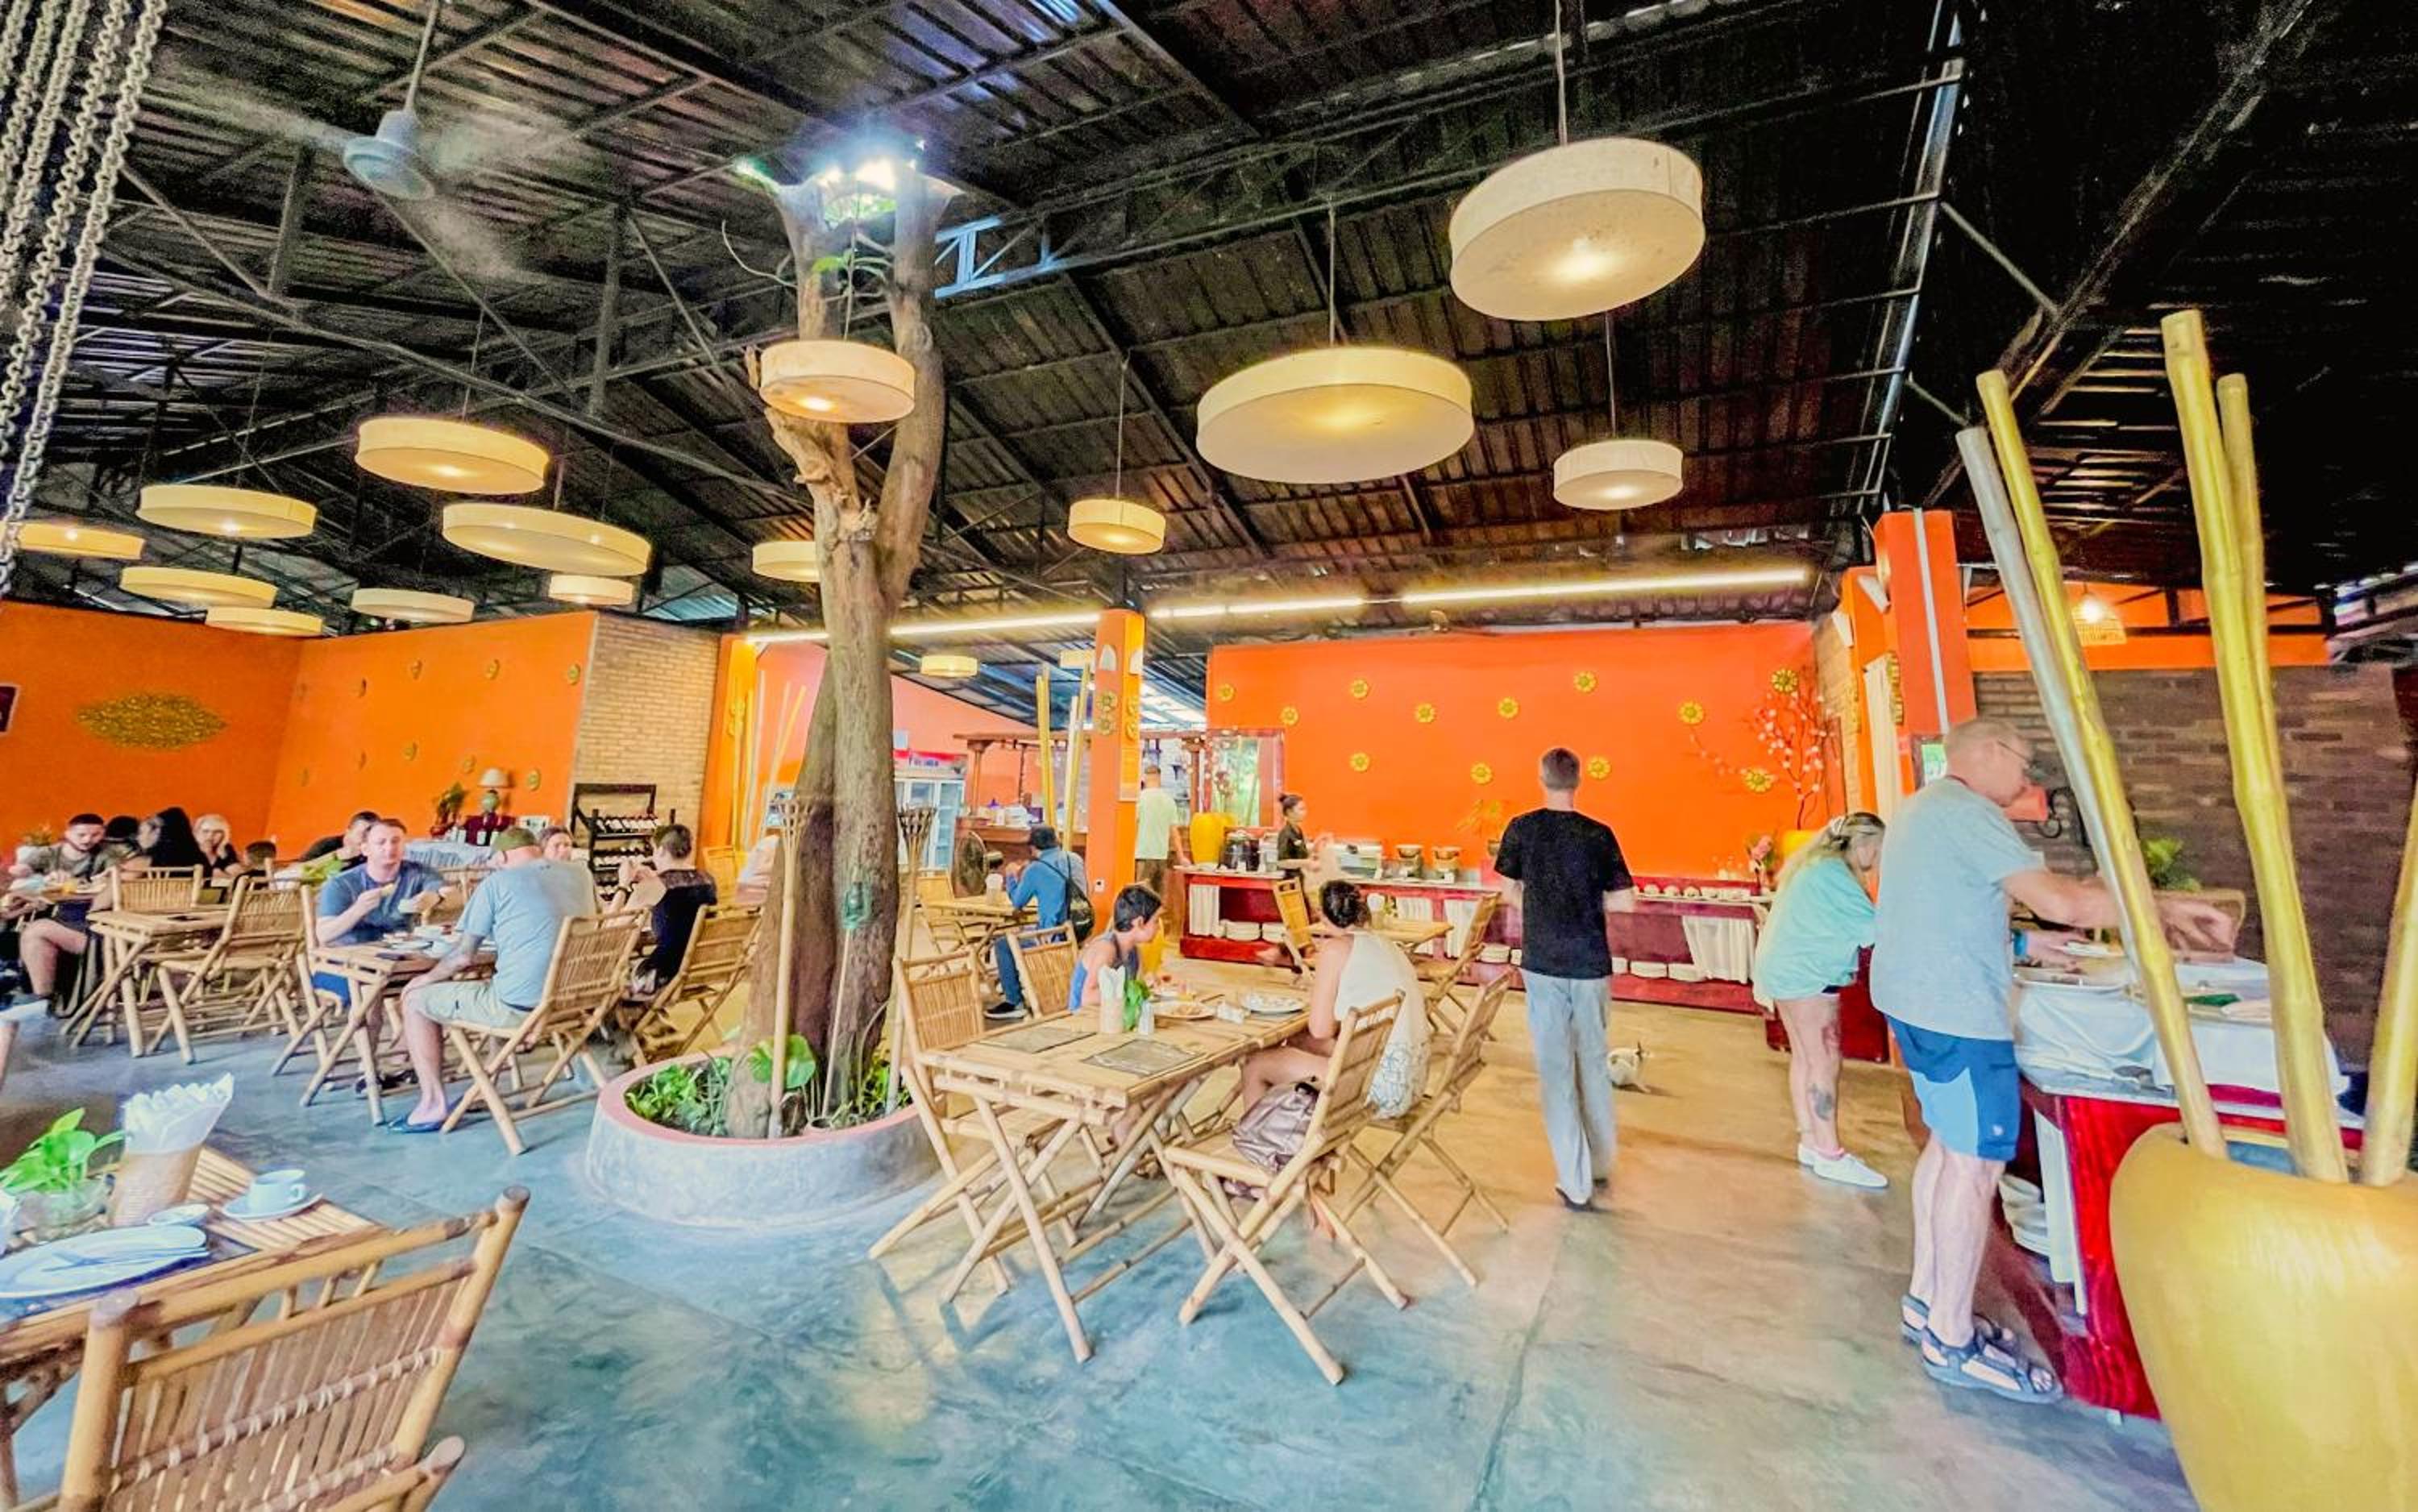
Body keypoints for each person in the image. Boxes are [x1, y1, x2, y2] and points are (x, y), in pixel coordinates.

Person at [1874, 718, 2233, 1405]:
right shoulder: (1969, 812)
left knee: (1949, 1150)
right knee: (1974, 1166)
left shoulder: (1922, 810)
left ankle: (1926, 1300)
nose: (2026, 779)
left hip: (1916, 1001)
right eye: (2023, 761)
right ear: (1987, 752)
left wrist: (2019, 947)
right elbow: (2062, 902)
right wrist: (2164, 906)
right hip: (1956, 1012)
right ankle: (1950, 1336)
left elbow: (1938, 911)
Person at [1493, 746, 1635, 1211]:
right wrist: (1587, 905)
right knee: (1592, 1062)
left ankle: (1575, 1180)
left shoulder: (1522, 829)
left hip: (1543, 962)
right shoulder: (1599, 834)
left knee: (1556, 1070)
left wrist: (1540, 908)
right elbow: (1626, 901)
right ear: (1578, 780)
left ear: (1541, 778)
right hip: (1591, 962)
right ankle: (1600, 1163)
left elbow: (1508, 893)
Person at [392, 826, 596, 1132]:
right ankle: (488, 1086)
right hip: (577, 1002)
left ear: (500, 858)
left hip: (522, 1009)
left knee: (415, 999)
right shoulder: (581, 874)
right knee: (499, 984)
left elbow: (463, 957)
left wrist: (425, 978)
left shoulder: (496, 883)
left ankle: (432, 1105)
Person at [1752, 812, 1889, 1190]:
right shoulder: (1834, 875)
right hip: (1808, 975)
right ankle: (1830, 1153)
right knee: (1824, 1059)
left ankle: (1812, 1142)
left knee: (1805, 1057)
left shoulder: (1814, 866)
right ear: (1864, 844)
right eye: (1880, 849)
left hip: (1785, 971)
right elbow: (1876, 930)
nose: (1879, 859)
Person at [1237, 879, 1431, 1118]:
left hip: (1378, 1088)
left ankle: (1258, 1137)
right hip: (1410, 1079)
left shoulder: (1336, 948)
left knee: (1256, 1064)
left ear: (1322, 914)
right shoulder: (1388, 944)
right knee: (1298, 1040)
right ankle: (1290, 1124)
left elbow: (1321, 1030)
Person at [614, 823, 717, 995]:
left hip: (662, 976)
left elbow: (614, 928)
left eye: (654, 850)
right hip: (699, 969)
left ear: (661, 850)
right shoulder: (708, 879)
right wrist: (653, 876)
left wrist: (623, 884)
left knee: (614, 973)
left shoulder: (654, 886)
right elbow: (682, 890)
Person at [994, 825, 1086, 1015]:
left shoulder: (1035, 869)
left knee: (1003, 944)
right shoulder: (1075, 859)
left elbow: (1017, 902)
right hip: (1080, 931)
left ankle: (1014, 1002)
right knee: (1026, 930)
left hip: (1052, 937)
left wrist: (1011, 876)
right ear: (1056, 841)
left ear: (1033, 847)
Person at [9, 813, 128, 882]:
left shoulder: (107, 853)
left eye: (95, 835)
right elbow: (19, 870)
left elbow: (116, 873)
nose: (87, 840)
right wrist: (26, 872)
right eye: (81, 835)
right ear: (68, 834)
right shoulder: (49, 852)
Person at [1133, 762, 1186, 899]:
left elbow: (1134, 826)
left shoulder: (1139, 799)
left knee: (1141, 897)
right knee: (1158, 899)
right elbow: (1174, 833)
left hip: (1143, 855)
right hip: (1162, 856)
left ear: (1145, 778)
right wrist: (1181, 857)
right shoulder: (1169, 801)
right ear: (1159, 778)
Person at [131, 808, 210, 873]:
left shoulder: (149, 861)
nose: (137, 838)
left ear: (159, 832)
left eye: (140, 833)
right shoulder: (200, 859)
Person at [301, 810, 380, 866]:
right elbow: (297, 870)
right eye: (361, 834)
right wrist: (335, 856)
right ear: (348, 831)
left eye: (372, 835)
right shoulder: (328, 844)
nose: (366, 839)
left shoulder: (374, 850)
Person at [192, 813, 244, 878]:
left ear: (224, 835)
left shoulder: (226, 849)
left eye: (217, 832)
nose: (210, 836)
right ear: (196, 832)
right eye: (206, 831)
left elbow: (238, 874)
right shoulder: (189, 848)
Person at [1273, 793, 1313, 875]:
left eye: (1304, 809)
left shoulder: (1298, 830)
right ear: (1289, 812)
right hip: (1289, 880)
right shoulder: (1285, 833)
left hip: (1300, 876)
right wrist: (1307, 862)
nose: (1305, 812)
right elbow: (1282, 862)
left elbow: (1299, 853)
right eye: (1301, 809)